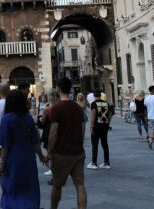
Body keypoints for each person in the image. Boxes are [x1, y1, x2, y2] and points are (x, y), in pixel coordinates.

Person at [0, 90, 47, 209]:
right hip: (28, 157)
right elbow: (36, 141)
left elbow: (5, 144)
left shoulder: (7, 119)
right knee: (29, 186)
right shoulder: (28, 118)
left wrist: (1, 162)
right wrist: (41, 156)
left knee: (13, 185)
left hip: (13, 158)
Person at [47, 77, 87, 209]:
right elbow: (82, 130)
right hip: (78, 151)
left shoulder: (56, 107)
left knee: (57, 185)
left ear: (58, 88)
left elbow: (53, 132)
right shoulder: (77, 107)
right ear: (70, 89)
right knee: (80, 185)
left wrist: (49, 151)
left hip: (61, 153)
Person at [87, 90, 112, 169]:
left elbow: (93, 114)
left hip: (97, 126)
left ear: (94, 95)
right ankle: (106, 163)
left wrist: (91, 126)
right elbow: (110, 115)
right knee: (105, 144)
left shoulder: (94, 104)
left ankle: (94, 163)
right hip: (105, 125)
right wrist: (108, 124)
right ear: (101, 95)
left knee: (95, 144)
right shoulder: (106, 103)